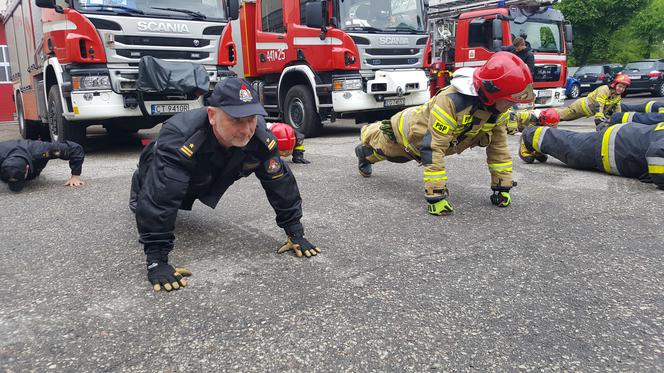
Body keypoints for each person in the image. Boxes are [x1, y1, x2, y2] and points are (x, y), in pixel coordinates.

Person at [130, 78, 320, 292]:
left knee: (197, 183)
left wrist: (295, 232)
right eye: (236, 120)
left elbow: (281, 184)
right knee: (164, 187)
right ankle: (138, 185)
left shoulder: (259, 138)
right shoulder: (180, 137)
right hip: (159, 164)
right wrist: (157, 261)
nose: (246, 130)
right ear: (212, 115)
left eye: (251, 119)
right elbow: (162, 199)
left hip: (210, 172)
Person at [354, 52, 534, 215]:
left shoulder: (497, 111)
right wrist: (436, 195)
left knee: (401, 157)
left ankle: (369, 153)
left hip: (423, 144)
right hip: (404, 132)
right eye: (509, 101)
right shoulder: (451, 102)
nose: (511, 106)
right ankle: (364, 152)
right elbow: (433, 147)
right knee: (387, 151)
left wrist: (502, 188)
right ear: (492, 92)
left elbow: (499, 149)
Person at [519, 122, 664, 190]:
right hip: (612, 145)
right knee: (571, 148)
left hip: (622, 142)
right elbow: (656, 152)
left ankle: (536, 143)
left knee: (570, 144)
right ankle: (530, 135)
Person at [0, 139, 85, 192]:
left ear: (27, 168)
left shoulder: (43, 152)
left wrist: (75, 176)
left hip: (34, 156)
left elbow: (76, 149)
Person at [556, 74, 631, 128]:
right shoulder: (604, 89)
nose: (621, 89)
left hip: (587, 111)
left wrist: (619, 121)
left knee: (564, 118)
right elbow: (599, 103)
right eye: (620, 86)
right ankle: (545, 116)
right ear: (614, 84)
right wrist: (599, 116)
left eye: (623, 88)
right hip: (579, 107)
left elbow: (617, 109)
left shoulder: (617, 96)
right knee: (561, 117)